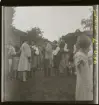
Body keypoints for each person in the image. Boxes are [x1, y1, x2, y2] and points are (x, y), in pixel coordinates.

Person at [74, 35, 93, 100]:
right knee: (84, 95)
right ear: (83, 47)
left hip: (86, 80)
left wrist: (88, 61)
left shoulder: (83, 55)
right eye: (88, 47)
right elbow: (82, 70)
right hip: (84, 82)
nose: (89, 49)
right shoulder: (79, 56)